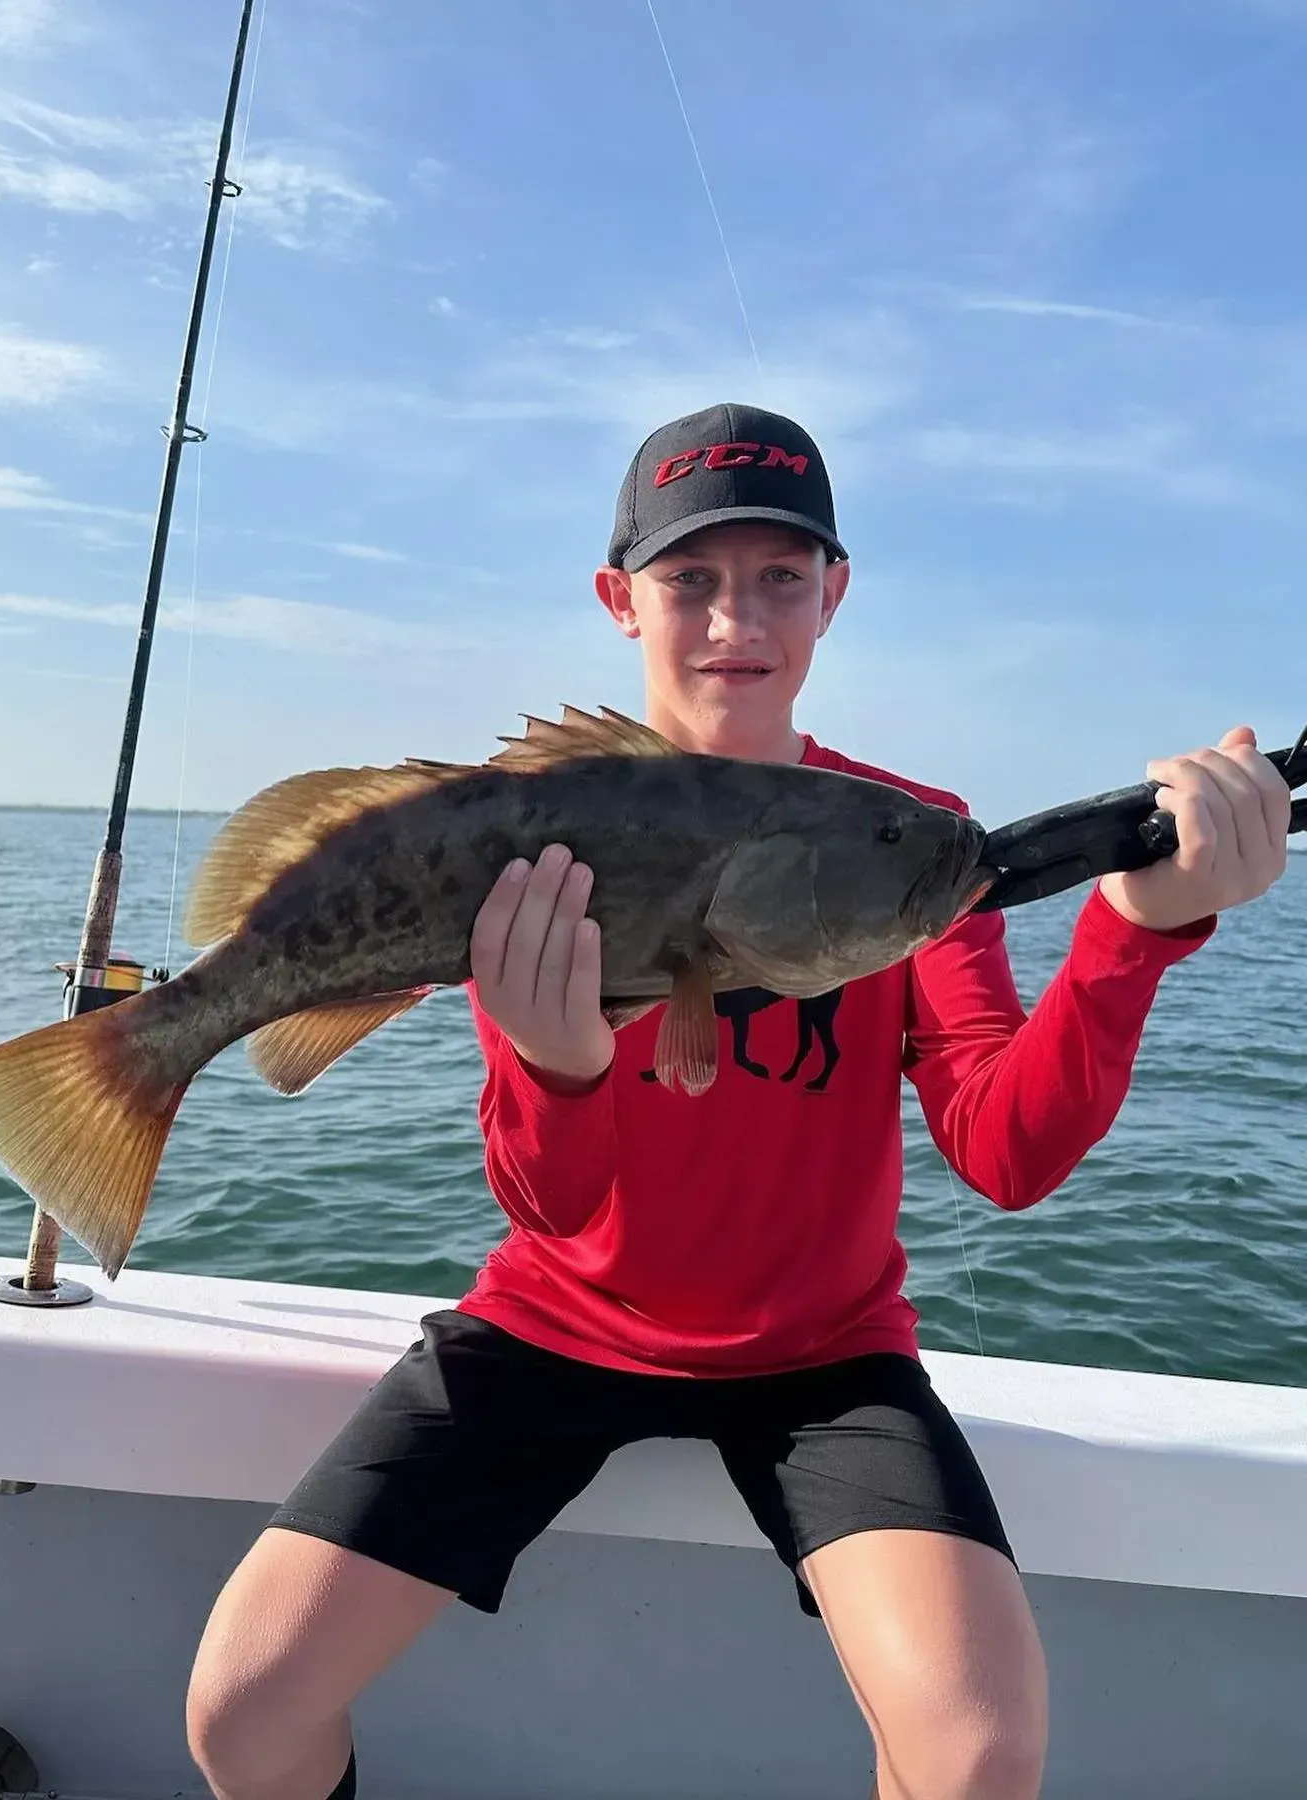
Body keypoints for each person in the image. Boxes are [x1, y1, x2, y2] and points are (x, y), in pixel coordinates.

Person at [184, 404, 1291, 1800]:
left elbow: (1005, 1153)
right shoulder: (548, 829)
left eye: (779, 575)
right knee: (242, 1706)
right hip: (554, 1322)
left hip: (823, 1360)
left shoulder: (910, 841)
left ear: (834, 594)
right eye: (691, 579)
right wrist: (553, 1063)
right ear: (619, 599)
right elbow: (553, 1204)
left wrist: (1137, 925)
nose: (732, 618)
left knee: (977, 1751)